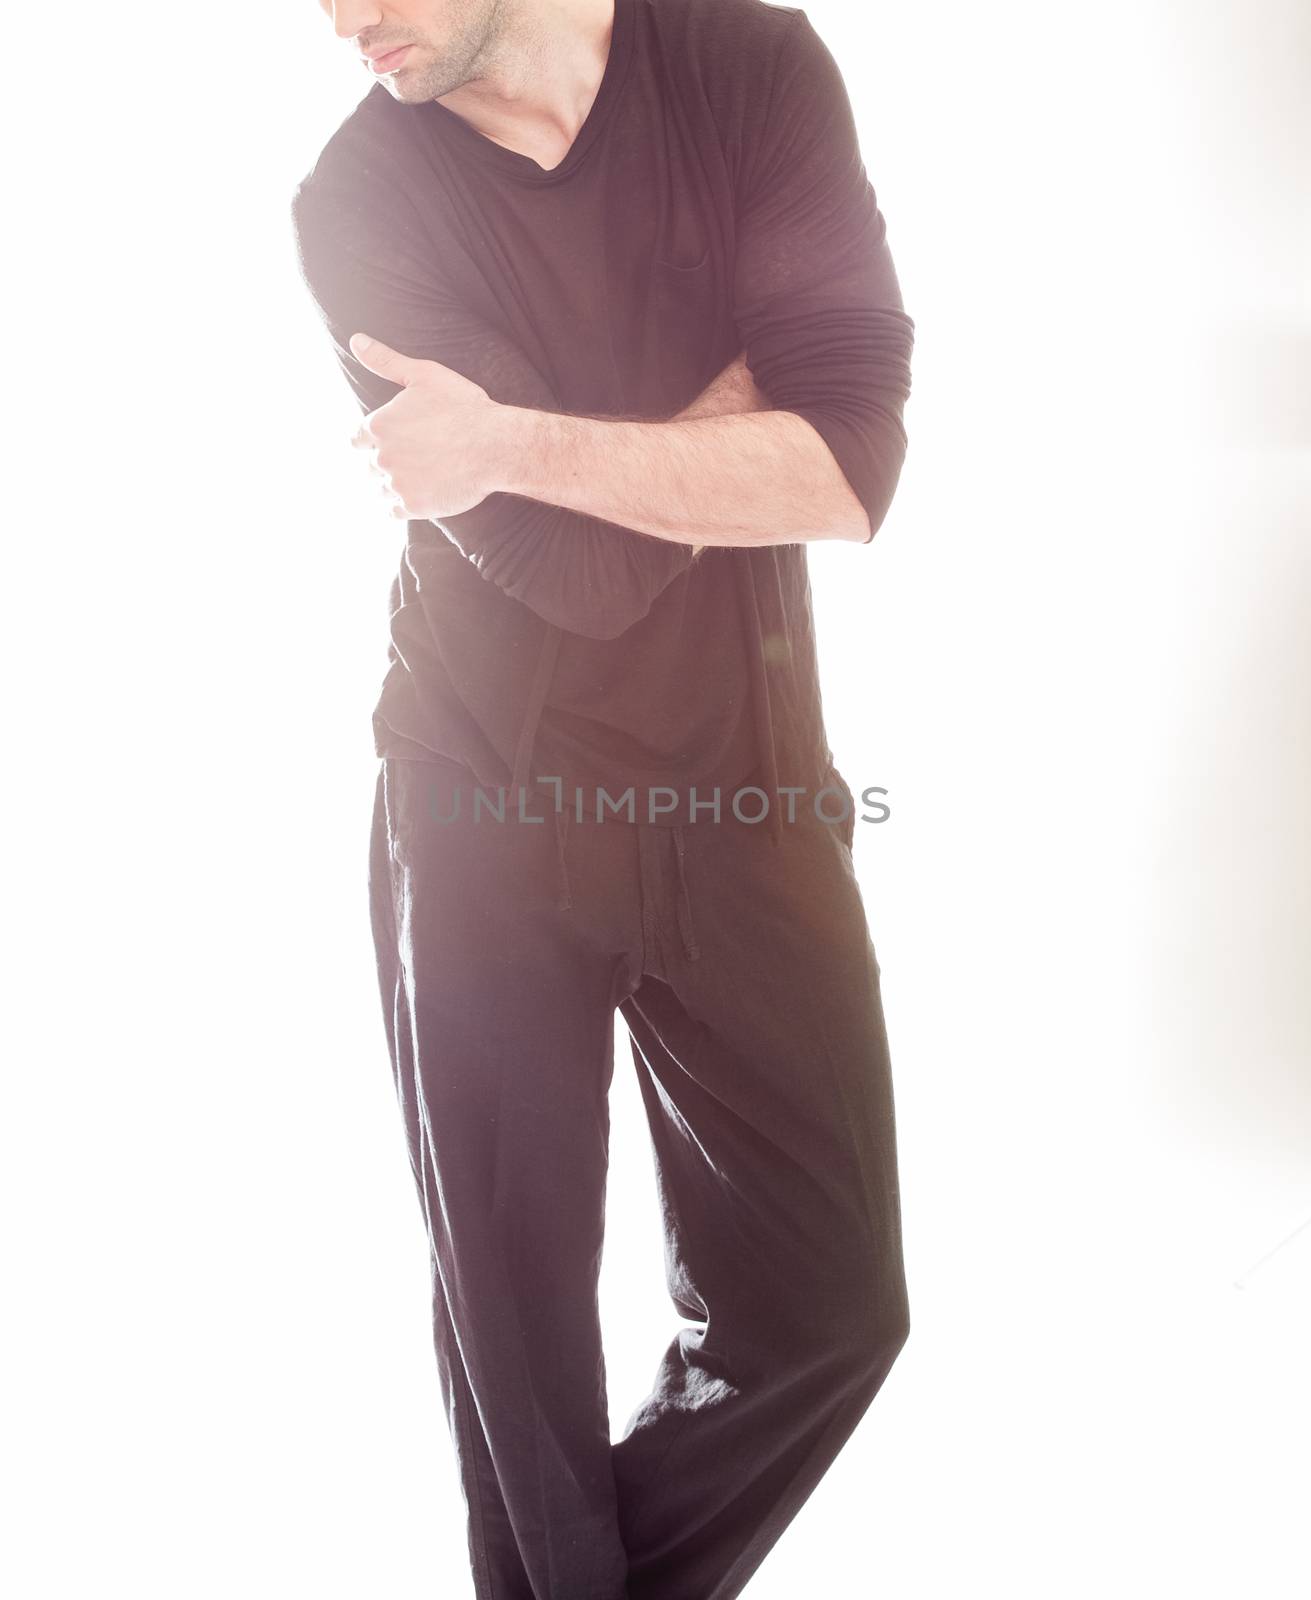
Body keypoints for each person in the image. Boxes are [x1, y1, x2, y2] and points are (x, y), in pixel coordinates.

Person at [290, 1, 915, 1595]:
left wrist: (513, 440)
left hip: (746, 788)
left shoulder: (750, 68)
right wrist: (746, 405)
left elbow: (850, 471)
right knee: (524, 1362)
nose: (345, 17)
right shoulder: (360, 201)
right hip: (482, 800)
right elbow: (567, 567)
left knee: (834, 1310)